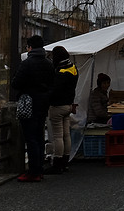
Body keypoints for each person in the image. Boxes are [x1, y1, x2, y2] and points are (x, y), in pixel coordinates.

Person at [12, 34, 54, 182]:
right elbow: (52, 84)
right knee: (39, 136)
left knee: (30, 138)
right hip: (43, 104)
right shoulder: (49, 63)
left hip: (29, 104)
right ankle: (39, 170)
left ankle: (33, 172)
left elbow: (16, 83)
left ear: (30, 47)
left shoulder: (27, 63)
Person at [44, 45, 78, 175]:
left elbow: (54, 91)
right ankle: (65, 161)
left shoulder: (60, 73)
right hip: (68, 105)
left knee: (58, 136)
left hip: (57, 106)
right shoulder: (73, 68)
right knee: (66, 135)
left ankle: (57, 163)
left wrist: (47, 97)